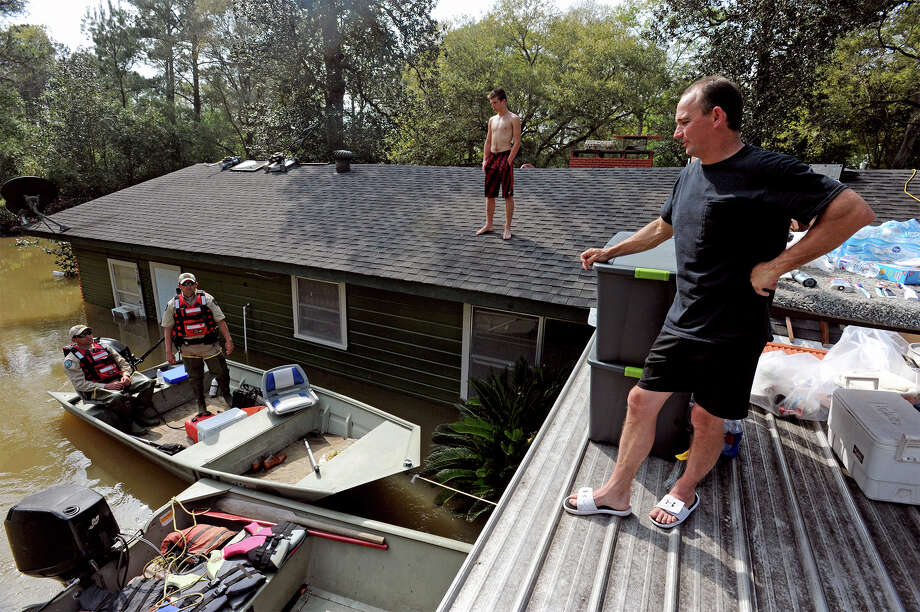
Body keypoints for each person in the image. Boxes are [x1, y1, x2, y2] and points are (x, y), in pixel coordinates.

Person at [566, 75, 875, 528]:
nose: (676, 134)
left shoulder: (767, 170)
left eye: (683, 122)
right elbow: (663, 226)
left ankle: (684, 490)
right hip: (684, 317)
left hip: (735, 327)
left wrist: (776, 266)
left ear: (717, 117)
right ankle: (616, 492)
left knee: (707, 418)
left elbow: (854, 212)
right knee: (639, 401)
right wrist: (612, 251)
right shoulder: (691, 172)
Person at [62, 324, 159, 435]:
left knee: (148, 383)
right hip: (95, 389)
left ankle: (139, 415)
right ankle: (130, 424)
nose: (89, 336)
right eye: (83, 335)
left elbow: (123, 363)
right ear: (75, 339)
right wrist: (106, 386)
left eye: (89, 332)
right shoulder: (71, 360)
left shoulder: (104, 347)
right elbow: (80, 385)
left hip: (118, 380)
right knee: (117, 397)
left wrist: (125, 375)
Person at [162, 272, 235, 415]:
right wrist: (168, 352)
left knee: (222, 372)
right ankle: (201, 404)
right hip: (188, 349)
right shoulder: (172, 304)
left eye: (191, 283)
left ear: (196, 285)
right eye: (185, 284)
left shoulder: (207, 299)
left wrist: (229, 340)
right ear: (180, 286)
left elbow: (220, 321)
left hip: (209, 346)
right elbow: (167, 330)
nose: (188, 286)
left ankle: (227, 395)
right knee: (195, 378)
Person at [477, 88, 522, 240]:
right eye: (491, 103)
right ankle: (489, 224)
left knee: (508, 194)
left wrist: (508, 161)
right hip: (492, 158)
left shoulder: (513, 118)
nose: (493, 106)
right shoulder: (492, 120)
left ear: (504, 101)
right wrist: (484, 159)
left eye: (495, 102)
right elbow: (488, 141)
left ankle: (507, 228)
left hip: (505, 156)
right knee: (489, 194)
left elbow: (516, 143)